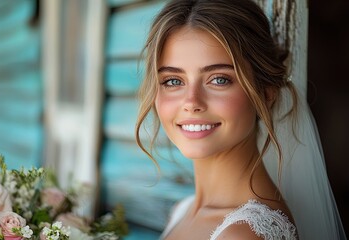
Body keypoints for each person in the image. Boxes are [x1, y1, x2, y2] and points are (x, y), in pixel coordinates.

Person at [135, 0, 347, 239]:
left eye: (219, 79)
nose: (192, 102)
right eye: (173, 81)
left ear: (266, 94)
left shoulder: (243, 234)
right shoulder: (183, 210)